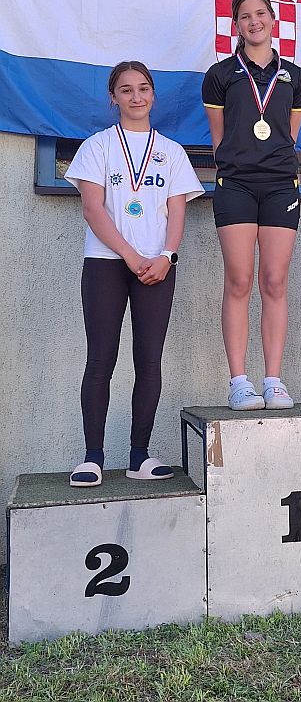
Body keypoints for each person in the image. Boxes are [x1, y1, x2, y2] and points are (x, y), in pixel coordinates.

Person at [65, 60, 204, 487]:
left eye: (143, 88)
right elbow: (93, 209)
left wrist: (167, 256)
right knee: (100, 359)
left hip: (158, 267)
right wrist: (129, 255)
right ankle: (92, 457)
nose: (136, 96)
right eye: (126, 90)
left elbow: (177, 211)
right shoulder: (97, 146)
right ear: (113, 98)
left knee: (149, 361)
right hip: (106, 263)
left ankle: (139, 456)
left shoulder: (172, 151)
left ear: (153, 95)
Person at [202, 0, 301, 411]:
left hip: (281, 185)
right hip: (237, 186)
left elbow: (287, 136)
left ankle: (273, 380)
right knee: (239, 279)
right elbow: (219, 138)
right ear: (235, 25)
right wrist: (239, 165)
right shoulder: (220, 75)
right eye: (245, 16)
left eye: (261, 13)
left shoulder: (295, 77)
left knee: (275, 281)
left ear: (273, 19)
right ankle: (239, 382)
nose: (254, 22)